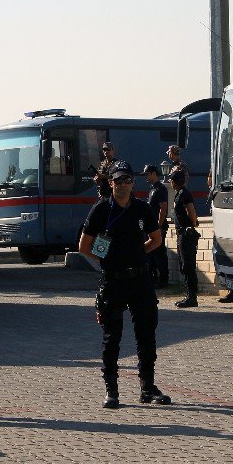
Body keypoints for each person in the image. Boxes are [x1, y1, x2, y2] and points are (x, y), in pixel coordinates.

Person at [79, 161, 171, 409]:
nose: (123, 184)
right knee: (112, 337)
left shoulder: (142, 208)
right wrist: (109, 259)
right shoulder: (101, 210)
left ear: (133, 183)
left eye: (127, 180)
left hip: (140, 279)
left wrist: (138, 255)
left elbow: (156, 239)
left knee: (146, 335)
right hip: (113, 281)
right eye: (118, 180)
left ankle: (147, 387)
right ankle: (112, 390)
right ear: (111, 183)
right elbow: (83, 246)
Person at [170, 169, 200, 308]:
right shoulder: (180, 194)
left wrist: (192, 223)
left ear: (175, 182)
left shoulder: (184, 194)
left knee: (188, 266)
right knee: (185, 266)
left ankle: (191, 297)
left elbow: (191, 212)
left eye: (171, 180)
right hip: (182, 234)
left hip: (186, 235)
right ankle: (189, 295)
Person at [143, 164, 169, 287]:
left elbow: (163, 208)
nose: (146, 177)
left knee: (159, 253)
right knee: (151, 254)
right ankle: (153, 278)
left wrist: (159, 226)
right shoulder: (152, 189)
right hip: (151, 227)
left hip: (158, 227)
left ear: (154, 173)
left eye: (147, 174)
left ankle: (163, 280)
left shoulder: (160, 188)